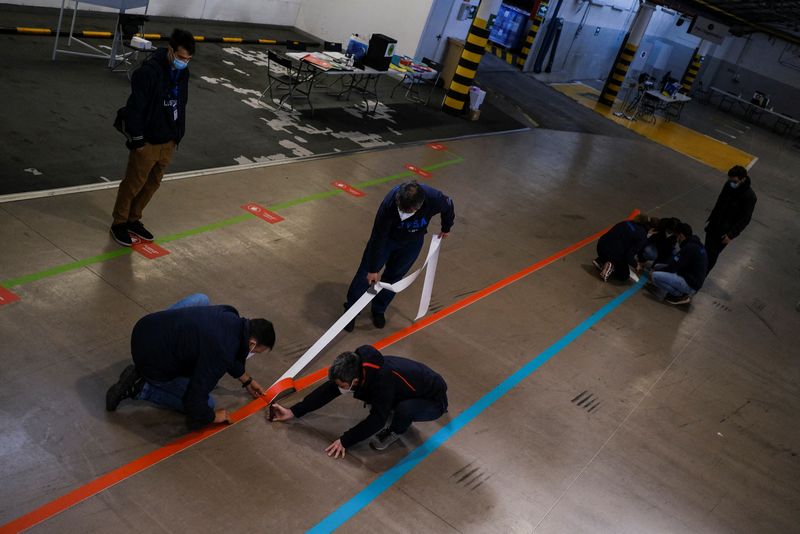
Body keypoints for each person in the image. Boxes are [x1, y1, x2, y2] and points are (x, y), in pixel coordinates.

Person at [105, 293, 275, 430]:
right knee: (206, 404)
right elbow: (194, 399)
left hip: (146, 328)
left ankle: (155, 355)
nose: (253, 354)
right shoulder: (222, 352)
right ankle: (141, 387)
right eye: (256, 352)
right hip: (151, 359)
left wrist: (247, 380)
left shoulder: (230, 315)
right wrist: (212, 417)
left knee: (201, 299)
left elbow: (228, 349)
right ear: (252, 344)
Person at [270, 345, 448, 456]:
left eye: (343, 385)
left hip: (433, 400)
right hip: (408, 388)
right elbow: (330, 390)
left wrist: (346, 440)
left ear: (355, 381)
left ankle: (395, 431)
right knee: (386, 403)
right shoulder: (356, 368)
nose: (339, 387)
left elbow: (377, 420)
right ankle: (395, 406)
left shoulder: (382, 381)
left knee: (403, 410)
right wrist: (294, 411)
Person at [110, 28, 195, 247]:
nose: (184, 62)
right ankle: (119, 222)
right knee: (133, 183)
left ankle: (133, 218)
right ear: (170, 51)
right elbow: (135, 108)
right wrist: (137, 139)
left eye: (188, 59)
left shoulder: (183, 73)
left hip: (169, 139)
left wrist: (178, 135)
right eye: (181, 57)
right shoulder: (148, 73)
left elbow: (181, 105)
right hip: (147, 140)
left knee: (153, 183)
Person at [344, 181, 455, 330]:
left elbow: (448, 206)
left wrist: (446, 227)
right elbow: (378, 237)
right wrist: (373, 268)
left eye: (409, 211)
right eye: (402, 209)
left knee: (394, 277)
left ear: (419, 205)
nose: (404, 213)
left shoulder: (435, 198)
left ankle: (379, 309)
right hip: (387, 240)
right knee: (365, 275)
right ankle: (351, 311)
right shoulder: (389, 204)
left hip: (412, 242)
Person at [705, 165, 757, 273]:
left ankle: (699, 279)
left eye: (734, 181)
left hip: (725, 232)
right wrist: (711, 218)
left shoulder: (750, 197)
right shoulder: (728, 185)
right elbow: (719, 202)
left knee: (712, 255)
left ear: (742, 179)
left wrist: (731, 235)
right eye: (730, 180)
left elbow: (745, 219)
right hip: (714, 225)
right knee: (705, 251)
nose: (731, 183)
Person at [647, 223, 708, 305]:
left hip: (690, 284)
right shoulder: (696, 244)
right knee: (657, 267)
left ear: (681, 235)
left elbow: (673, 268)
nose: (676, 239)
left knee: (655, 276)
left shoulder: (689, 247)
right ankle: (680, 292)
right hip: (690, 278)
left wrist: (655, 271)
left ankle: (679, 295)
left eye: (677, 236)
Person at [593, 214, 655, 282]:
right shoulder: (642, 236)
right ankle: (610, 265)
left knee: (618, 246)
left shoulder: (627, 222)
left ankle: (601, 260)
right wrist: (636, 265)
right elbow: (628, 256)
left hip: (601, 245)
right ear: (651, 229)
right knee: (624, 276)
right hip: (611, 253)